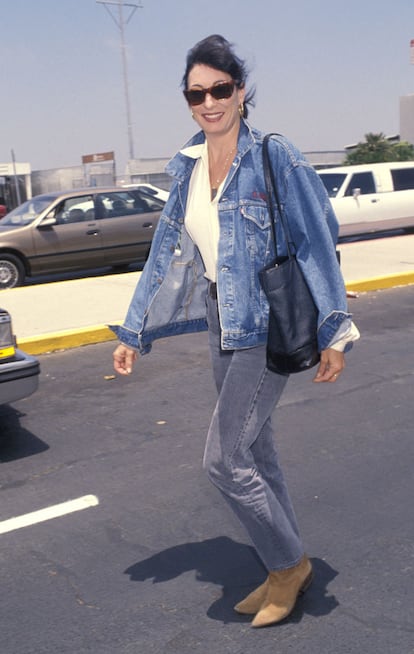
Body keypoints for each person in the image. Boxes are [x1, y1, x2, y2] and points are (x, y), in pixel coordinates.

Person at [112, 34, 359, 628]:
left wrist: (335, 329)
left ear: (241, 91)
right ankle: (283, 565)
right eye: (196, 94)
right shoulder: (188, 167)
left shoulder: (275, 155)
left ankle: (288, 565)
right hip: (223, 323)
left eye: (220, 89)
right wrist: (133, 330)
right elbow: (164, 252)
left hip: (267, 327)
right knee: (257, 449)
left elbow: (316, 240)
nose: (209, 102)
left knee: (223, 460)